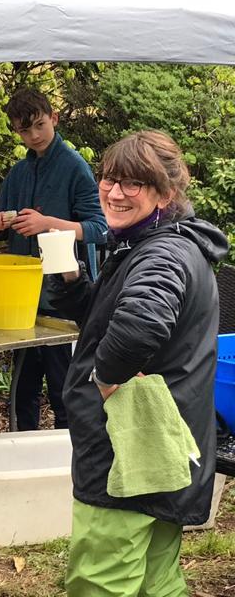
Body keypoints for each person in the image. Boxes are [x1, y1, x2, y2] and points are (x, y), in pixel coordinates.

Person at [52, 131, 225, 595]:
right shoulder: (154, 243)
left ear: (165, 194)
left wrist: (106, 378)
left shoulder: (163, 251)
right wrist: (71, 283)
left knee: (102, 580)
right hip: (165, 445)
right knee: (156, 578)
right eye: (110, 178)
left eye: (133, 183)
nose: (114, 191)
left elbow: (141, 323)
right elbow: (110, 318)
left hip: (128, 446)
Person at [0, 88, 107, 431]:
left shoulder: (75, 168)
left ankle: (68, 458)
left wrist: (48, 225)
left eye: (39, 125)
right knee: (23, 384)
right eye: (24, 131)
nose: (34, 136)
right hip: (23, 296)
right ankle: (20, 448)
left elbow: (100, 229)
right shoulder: (18, 172)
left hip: (65, 297)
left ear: (54, 118)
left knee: (64, 387)